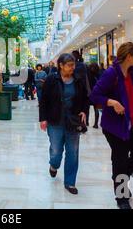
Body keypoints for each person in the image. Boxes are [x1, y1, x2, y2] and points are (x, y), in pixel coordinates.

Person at [90, 42, 133, 209]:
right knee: (120, 160)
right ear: (129, 56)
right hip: (116, 127)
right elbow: (94, 95)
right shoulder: (111, 74)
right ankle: (122, 197)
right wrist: (112, 102)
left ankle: (119, 177)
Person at [39, 54, 89, 195]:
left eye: (73, 65)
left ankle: (70, 182)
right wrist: (43, 119)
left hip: (73, 122)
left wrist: (84, 111)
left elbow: (86, 98)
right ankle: (54, 165)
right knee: (56, 151)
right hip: (55, 121)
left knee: (72, 152)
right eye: (69, 65)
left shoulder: (78, 80)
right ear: (61, 65)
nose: (73, 68)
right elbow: (43, 100)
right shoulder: (51, 80)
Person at [72, 50, 91, 125]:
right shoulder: (83, 65)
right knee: (85, 105)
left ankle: (82, 122)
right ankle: (86, 121)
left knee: (80, 105)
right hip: (83, 88)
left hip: (79, 88)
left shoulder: (78, 65)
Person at [87, 62, 101, 129]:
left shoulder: (88, 74)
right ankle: (96, 124)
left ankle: (86, 122)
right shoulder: (98, 74)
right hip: (96, 93)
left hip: (89, 93)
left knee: (87, 108)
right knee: (96, 109)